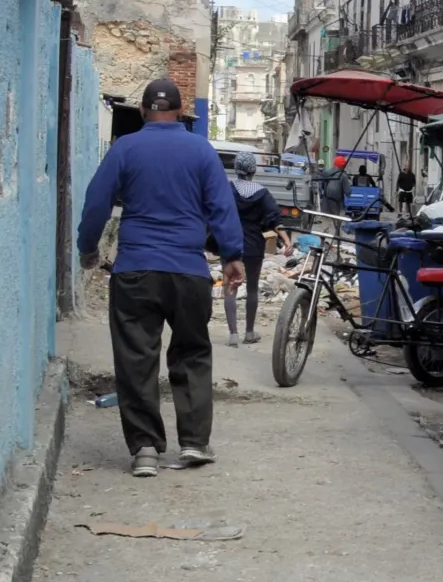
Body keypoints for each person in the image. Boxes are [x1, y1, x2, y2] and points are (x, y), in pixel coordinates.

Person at [78, 78, 246, 477]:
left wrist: (88, 249)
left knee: (137, 357)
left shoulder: (126, 148)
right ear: (181, 110)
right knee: (191, 352)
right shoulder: (201, 150)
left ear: (142, 111)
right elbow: (222, 207)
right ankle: (193, 442)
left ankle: (146, 450)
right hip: (189, 272)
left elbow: (97, 201)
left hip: (136, 269)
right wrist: (232, 256)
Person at [223, 151, 290, 347]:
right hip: (253, 246)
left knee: (230, 287)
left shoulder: (227, 189)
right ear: (253, 170)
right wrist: (286, 239)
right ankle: (249, 332)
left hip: (230, 243)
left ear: (236, 169)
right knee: (252, 288)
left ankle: (233, 334)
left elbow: (215, 213)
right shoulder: (262, 193)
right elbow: (274, 219)